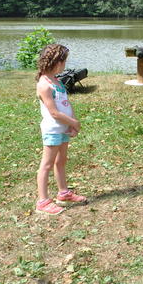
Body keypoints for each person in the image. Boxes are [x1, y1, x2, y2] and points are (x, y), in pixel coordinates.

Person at [35, 44, 87, 215]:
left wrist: (72, 123)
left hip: (63, 128)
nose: (65, 65)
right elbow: (54, 113)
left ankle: (63, 193)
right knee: (47, 164)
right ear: (56, 62)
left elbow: (66, 104)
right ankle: (43, 202)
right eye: (64, 61)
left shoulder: (57, 80)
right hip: (53, 130)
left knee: (61, 161)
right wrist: (74, 122)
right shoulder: (44, 84)